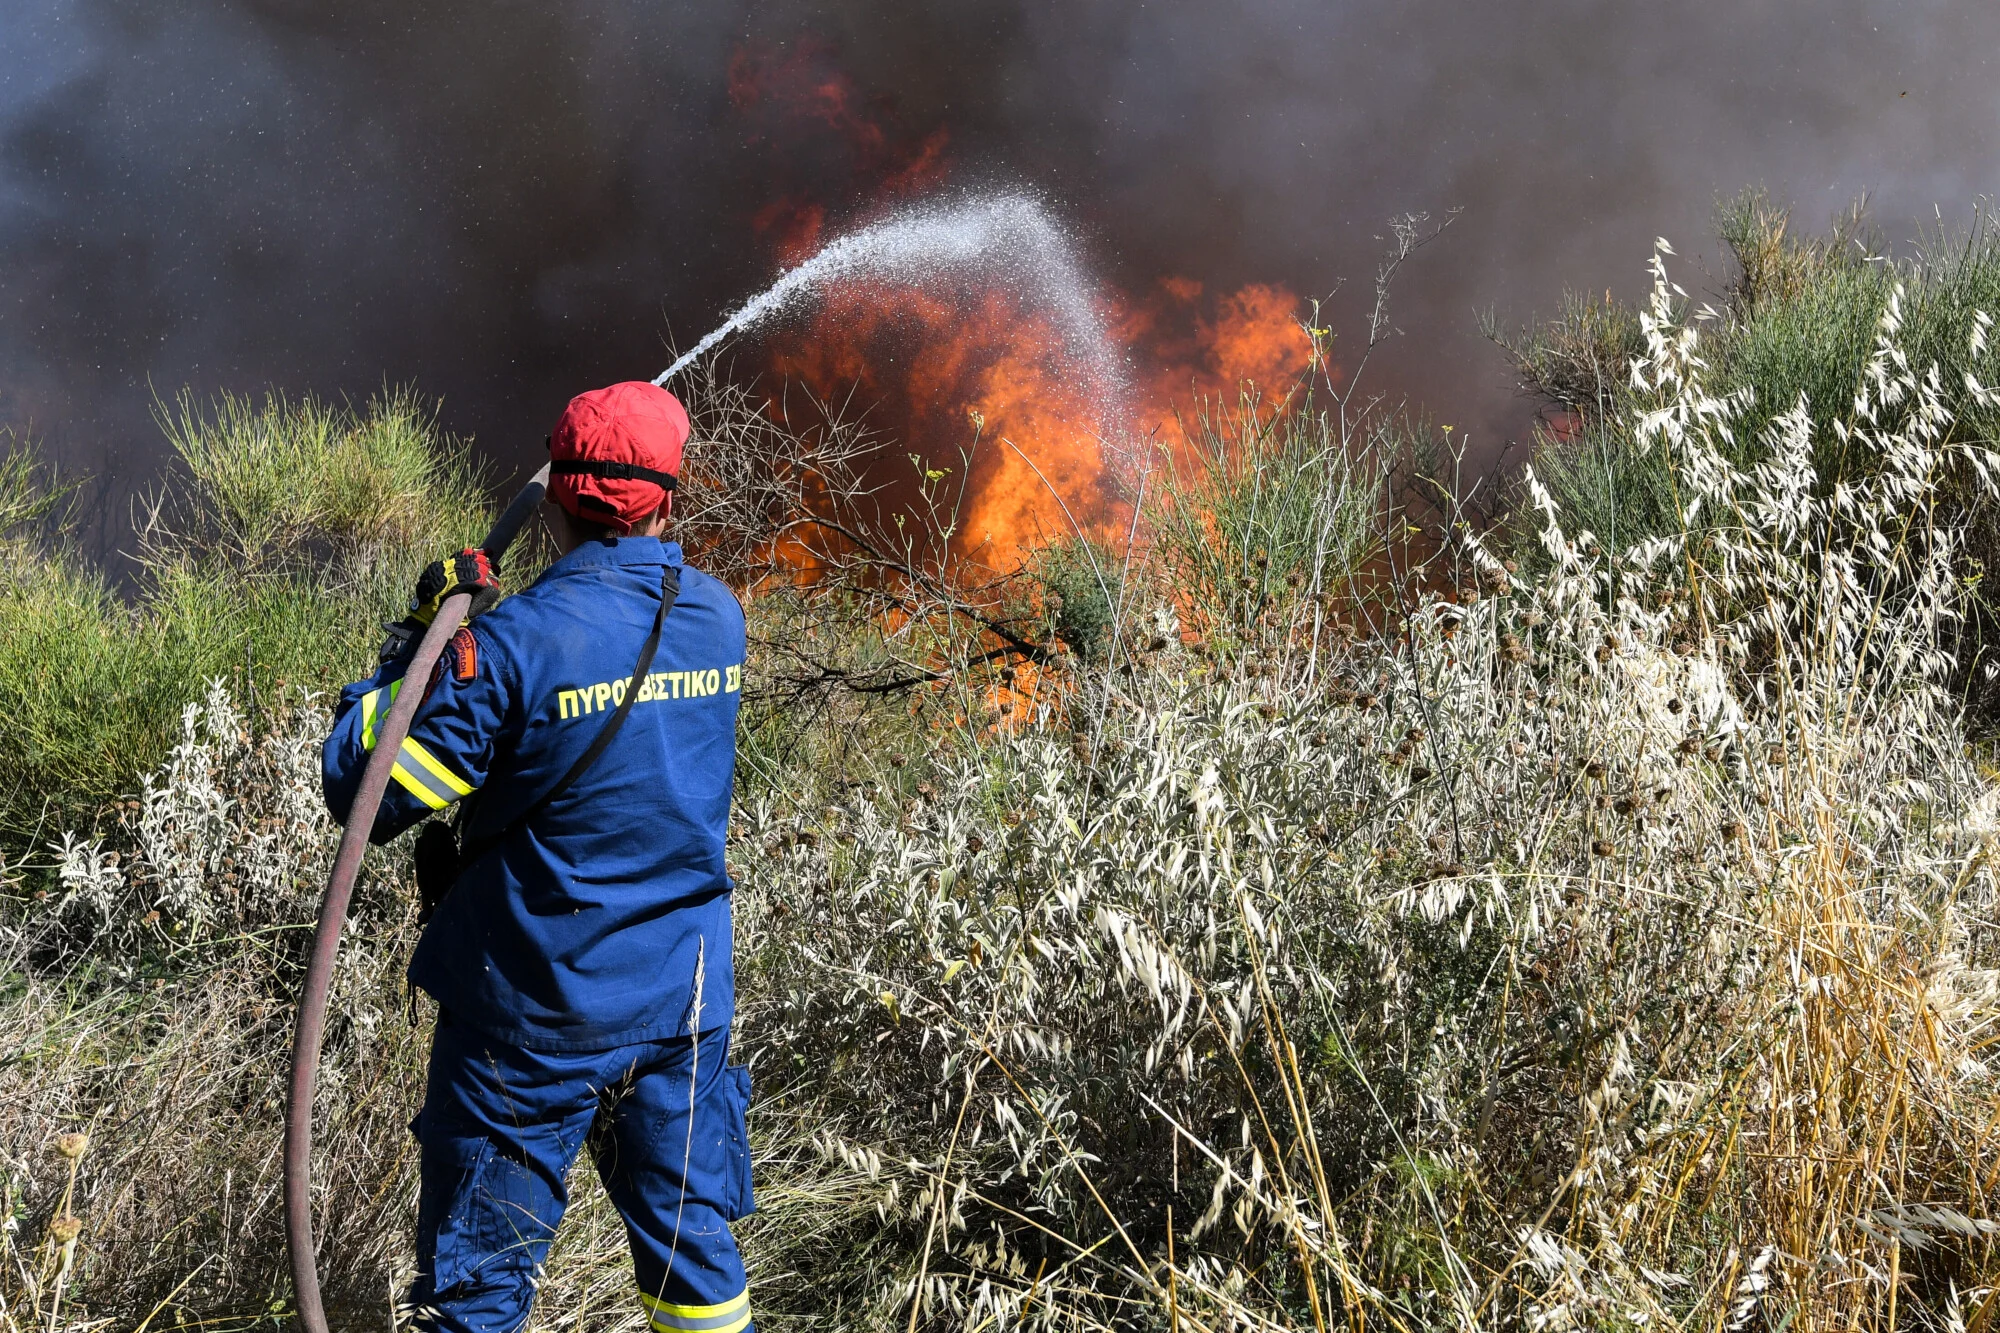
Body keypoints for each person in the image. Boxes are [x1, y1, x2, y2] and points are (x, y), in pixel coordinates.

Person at [321, 381, 754, 1333]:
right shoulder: (720, 620)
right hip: (681, 1007)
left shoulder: (509, 650)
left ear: (554, 496)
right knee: (698, 1276)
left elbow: (363, 784)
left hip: (533, 1022)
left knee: (480, 1292)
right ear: (667, 501)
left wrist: (420, 645)